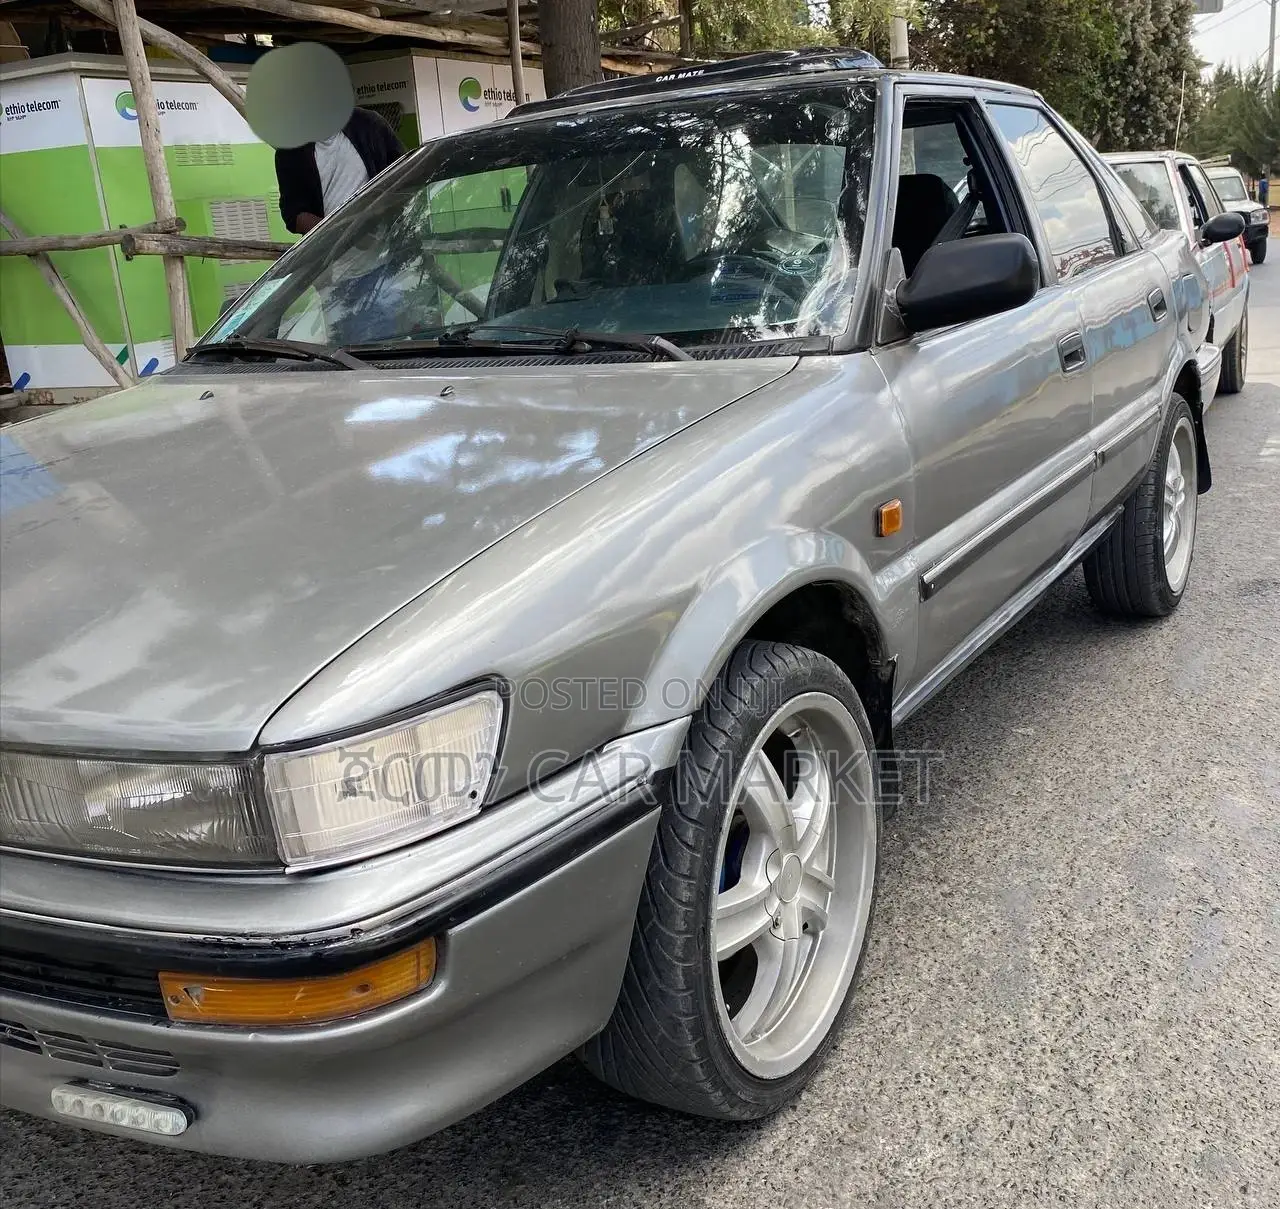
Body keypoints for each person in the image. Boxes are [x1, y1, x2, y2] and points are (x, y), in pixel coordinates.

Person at [275, 107, 405, 235]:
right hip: (331, 246)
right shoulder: (290, 150)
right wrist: (336, 233)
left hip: (387, 238)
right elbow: (292, 215)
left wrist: (383, 210)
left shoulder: (369, 124)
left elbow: (404, 174)